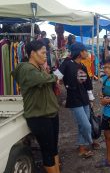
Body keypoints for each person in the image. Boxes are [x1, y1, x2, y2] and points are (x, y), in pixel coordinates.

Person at [12, 40, 61, 173]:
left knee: (53, 148)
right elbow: (41, 79)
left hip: (50, 114)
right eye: (43, 53)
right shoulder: (25, 68)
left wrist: (49, 74)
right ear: (32, 53)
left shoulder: (39, 68)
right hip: (39, 117)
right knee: (47, 151)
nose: (46, 56)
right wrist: (53, 77)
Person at [55, 42, 97, 158]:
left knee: (82, 125)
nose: (87, 52)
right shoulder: (67, 64)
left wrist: (91, 98)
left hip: (85, 99)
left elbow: (87, 84)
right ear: (79, 52)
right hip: (74, 98)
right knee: (86, 125)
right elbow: (56, 76)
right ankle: (90, 142)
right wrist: (58, 82)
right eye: (85, 50)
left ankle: (81, 148)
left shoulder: (83, 66)